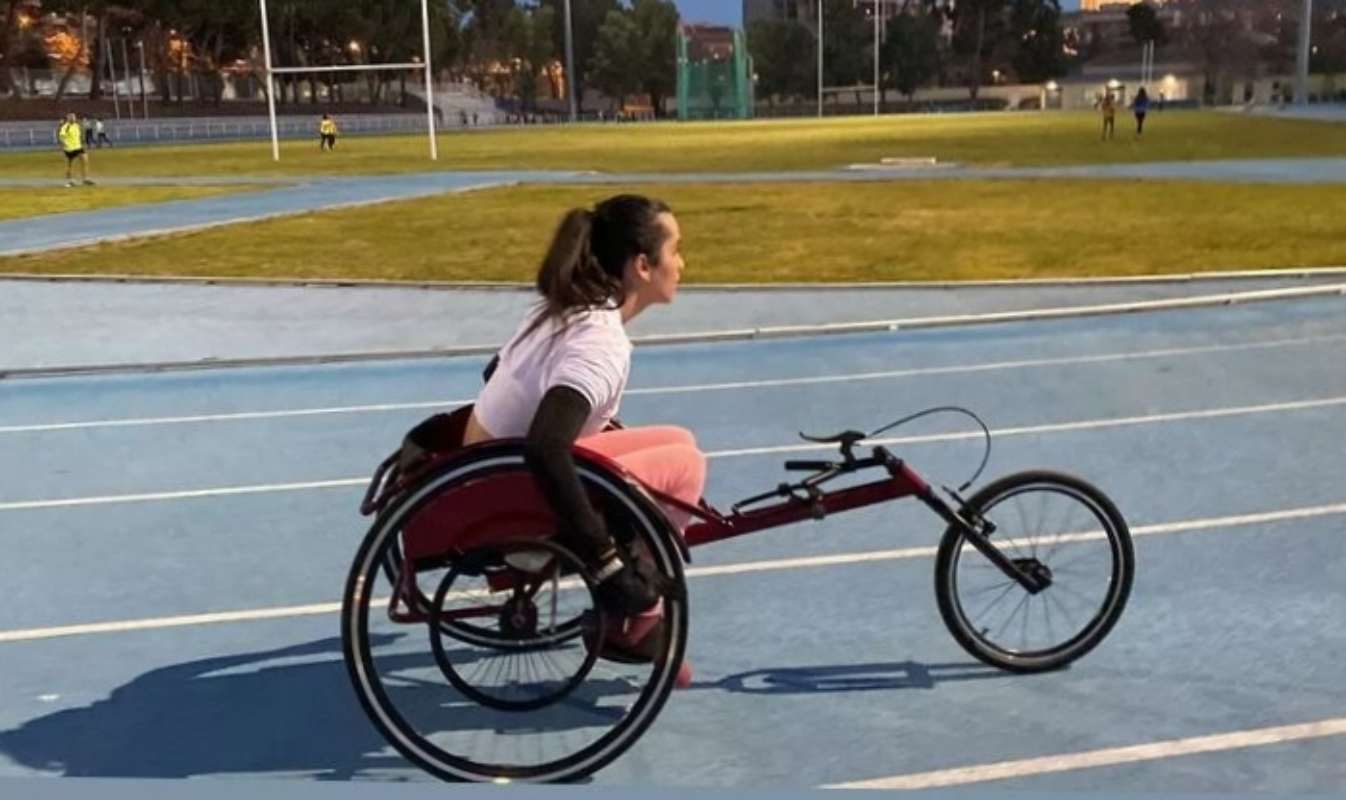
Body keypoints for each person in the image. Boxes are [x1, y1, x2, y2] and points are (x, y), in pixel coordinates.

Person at [462, 194, 703, 685]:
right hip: (506, 492)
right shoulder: (601, 342)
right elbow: (546, 446)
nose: (682, 262)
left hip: (483, 474)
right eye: (675, 249)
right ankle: (635, 621)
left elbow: (496, 372)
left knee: (678, 440)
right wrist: (607, 561)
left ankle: (633, 595)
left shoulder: (569, 309)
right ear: (641, 265)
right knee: (685, 468)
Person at [56, 113, 93, 187]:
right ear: (68, 119)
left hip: (78, 147)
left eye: (74, 117)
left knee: (85, 161)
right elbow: (61, 136)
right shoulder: (65, 127)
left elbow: (79, 135)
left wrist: (82, 143)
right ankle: (70, 181)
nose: (73, 118)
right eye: (71, 117)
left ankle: (85, 179)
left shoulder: (77, 126)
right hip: (69, 149)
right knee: (69, 166)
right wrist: (64, 144)